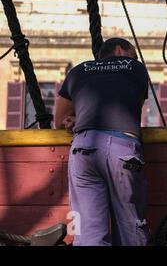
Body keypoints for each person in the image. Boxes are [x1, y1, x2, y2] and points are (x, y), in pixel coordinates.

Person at [55, 38, 150, 246]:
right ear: (120, 50)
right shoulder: (136, 68)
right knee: (130, 230)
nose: (135, 59)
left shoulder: (78, 71)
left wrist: (77, 118)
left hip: (83, 146)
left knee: (88, 233)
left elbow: (60, 119)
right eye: (133, 54)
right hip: (122, 147)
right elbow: (130, 103)